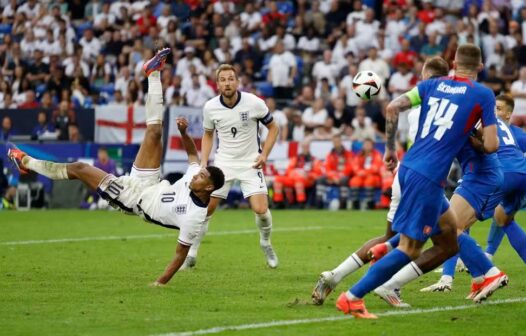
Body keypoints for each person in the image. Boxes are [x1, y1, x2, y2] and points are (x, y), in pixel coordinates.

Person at [7, 49, 225, 286]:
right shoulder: (195, 177)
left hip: (133, 199)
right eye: (200, 172)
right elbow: (193, 155)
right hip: (149, 183)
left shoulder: (195, 217)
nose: (196, 175)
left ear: (209, 187)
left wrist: (160, 283)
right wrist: (183, 133)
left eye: (202, 176)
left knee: (80, 168)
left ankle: (26, 162)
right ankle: (153, 73)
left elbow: (179, 255)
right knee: (154, 133)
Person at [336, 44, 500, 319]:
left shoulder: (431, 84)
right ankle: (352, 296)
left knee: (450, 240)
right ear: (480, 67)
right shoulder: (482, 94)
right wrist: (476, 141)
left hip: (410, 166)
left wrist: (389, 148)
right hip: (428, 177)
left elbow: (392, 106)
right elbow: (493, 145)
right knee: (410, 248)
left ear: (453, 62)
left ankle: (484, 274)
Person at [311, 55, 450, 306]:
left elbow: (396, 110)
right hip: (424, 179)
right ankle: (380, 288)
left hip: (407, 174)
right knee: (438, 241)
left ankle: (335, 275)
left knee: (398, 239)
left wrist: (390, 148)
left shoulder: (418, 104)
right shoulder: (444, 107)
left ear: (427, 76)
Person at [422, 95, 526, 291]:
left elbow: (481, 146)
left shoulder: (475, 118)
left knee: (452, 224)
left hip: (498, 173)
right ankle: (477, 276)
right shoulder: (509, 129)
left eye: (500, 108)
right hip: (522, 173)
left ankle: (457, 277)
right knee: (503, 219)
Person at [183, 63, 280, 269]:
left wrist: (264, 154)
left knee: (261, 210)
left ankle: (266, 243)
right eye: (223, 80)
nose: (227, 83)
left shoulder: (254, 102)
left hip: (251, 162)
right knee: (206, 209)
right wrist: (203, 162)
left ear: (237, 82)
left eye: (230, 79)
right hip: (223, 163)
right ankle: (191, 252)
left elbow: (273, 128)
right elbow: (208, 134)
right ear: (217, 84)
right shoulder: (210, 107)